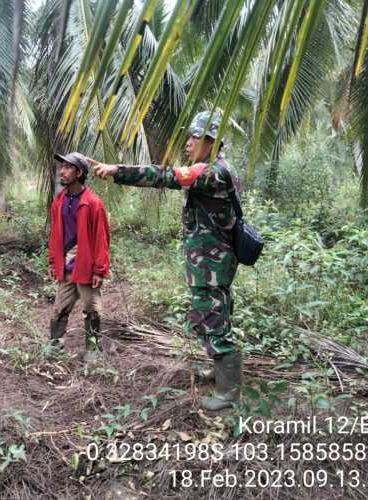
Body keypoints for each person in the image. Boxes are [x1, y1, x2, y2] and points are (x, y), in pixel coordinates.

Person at [90, 112, 242, 411]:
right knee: (214, 314)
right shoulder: (217, 169)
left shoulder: (213, 172)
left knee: (214, 318)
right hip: (210, 260)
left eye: (194, 138)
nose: (187, 144)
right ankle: (218, 371)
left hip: (211, 263)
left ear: (211, 142)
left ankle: (228, 394)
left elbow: (164, 175)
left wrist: (117, 170)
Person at [48, 152, 110, 366]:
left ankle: (92, 349)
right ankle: (54, 347)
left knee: (92, 309)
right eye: (62, 167)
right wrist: (52, 261)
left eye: (67, 167)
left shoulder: (93, 203)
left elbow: (102, 238)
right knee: (59, 309)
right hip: (66, 265)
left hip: (85, 266)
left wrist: (99, 270)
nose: (62, 171)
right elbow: (56, 234)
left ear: (80, 172)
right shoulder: (60, 200)